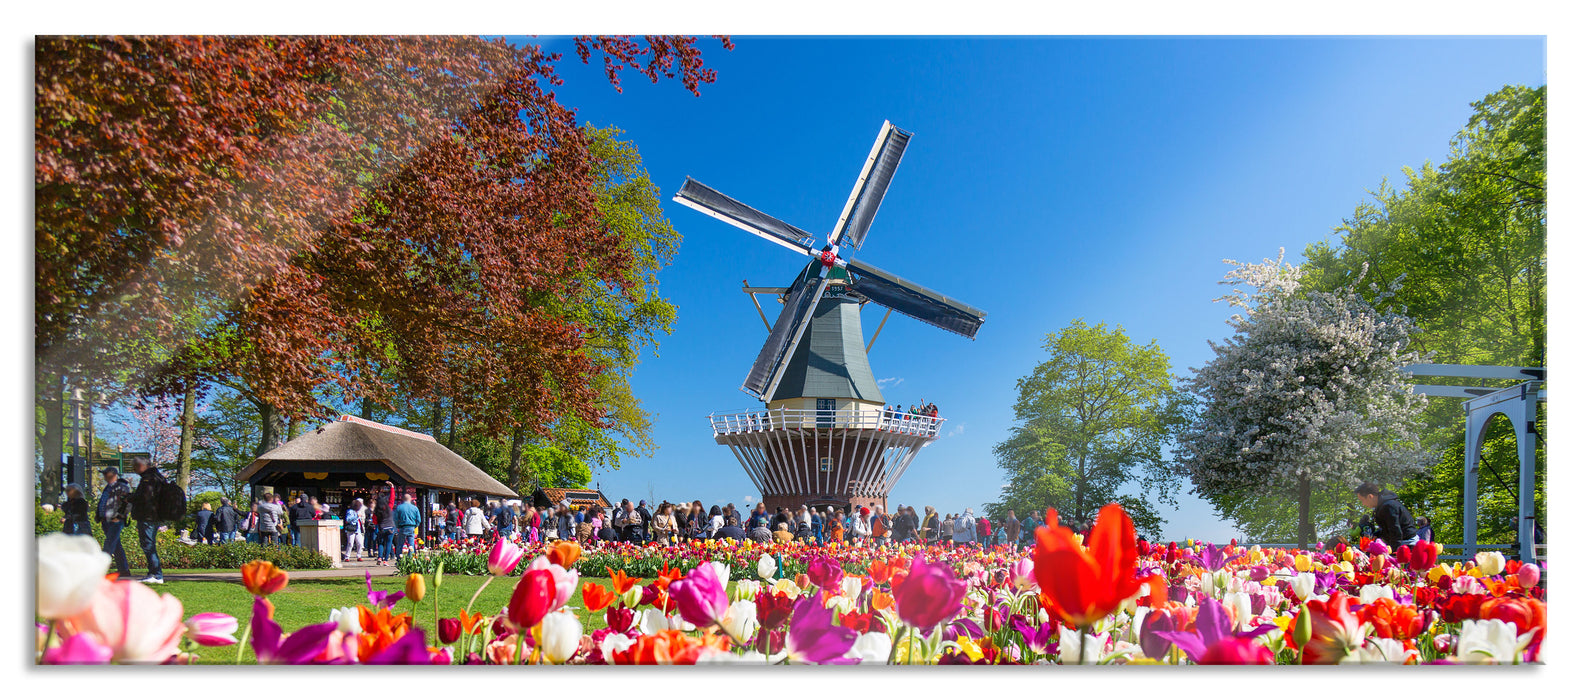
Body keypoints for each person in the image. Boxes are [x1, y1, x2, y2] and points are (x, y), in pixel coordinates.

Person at [128, 456, 168, 584]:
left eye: (135, 467)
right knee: (149, 544)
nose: (134, 470)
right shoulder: (157, 477)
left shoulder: (148, 479)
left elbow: (144, 498)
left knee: (148, 545)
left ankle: (156, 574)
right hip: (154, 516)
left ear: (141, 466)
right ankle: (153, 573)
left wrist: (130, 497)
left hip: (147, 516)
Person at [1354, 482, 1418, 549]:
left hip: (1406, 543)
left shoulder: (1388, 506)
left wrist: (1393, 552)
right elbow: (1387, 527)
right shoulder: (1382, 505)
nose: (1363, 504)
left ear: (1370, 496)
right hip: (1400, 541)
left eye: (1362, 500)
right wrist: (1376, 534)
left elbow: (1395, 531)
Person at [96, 467, 134, 578]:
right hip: (106, 520)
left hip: (115, 520)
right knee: (116, 545)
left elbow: (127, 503)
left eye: (105, 474)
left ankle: (100, 570)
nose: (104, 476)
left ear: (113, 474)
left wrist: (120, 516)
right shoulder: (108, 487)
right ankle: (124, 570)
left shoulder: (122, 487)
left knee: (109, 545)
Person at [394, 493, 421, 558]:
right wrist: (415, 526)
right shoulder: (415, 508)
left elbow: (396, 519)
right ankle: (410, 558)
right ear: (410, 499)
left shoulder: (399, 507)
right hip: (411, 526)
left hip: (402, 527)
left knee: (400, 544)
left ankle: (399, 558)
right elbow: (419, 520)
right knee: (411, 544)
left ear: (403, 499)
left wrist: (398, 526)